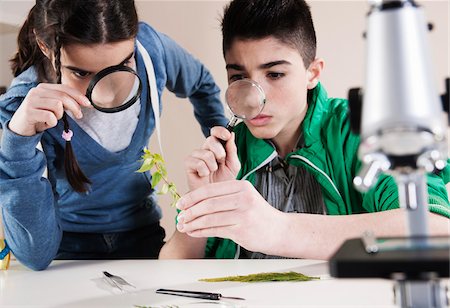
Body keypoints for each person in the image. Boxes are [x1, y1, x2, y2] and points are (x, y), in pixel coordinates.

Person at [159, 0, 450, 260]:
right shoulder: (231, 153)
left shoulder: (357, 131)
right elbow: (171, 266)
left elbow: (436, 228)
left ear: (313, 73)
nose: (253, 97)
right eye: (238, 76)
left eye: (275, 74)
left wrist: (278, 229)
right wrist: (201, 203)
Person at [0, 0, 227, 270]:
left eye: (124, 63)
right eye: (81, 72)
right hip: (68, 251)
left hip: (144, 235)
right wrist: (18, 141)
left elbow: (201, 83)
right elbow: (34, 256)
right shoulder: (25, 106)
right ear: (44, 47)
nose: (107, 93)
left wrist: (220, 143)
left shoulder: (151, 52)